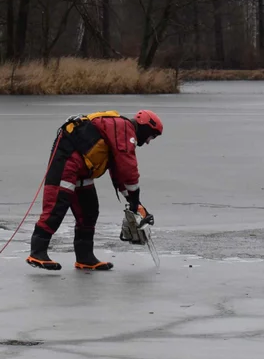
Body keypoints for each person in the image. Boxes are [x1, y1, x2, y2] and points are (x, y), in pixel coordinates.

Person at [27, 110, 163, 271]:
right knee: (56, 207)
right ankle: (37, 252)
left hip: (81, 170)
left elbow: (119, 171)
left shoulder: (120, 131)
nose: (148, 141)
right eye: (151, 136)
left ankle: (85, 258)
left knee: (89, 210)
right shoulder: (124, 129)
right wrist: (134, 197)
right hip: (66, 164)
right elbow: (128, 168)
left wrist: (135, 203)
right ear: (146, 128)